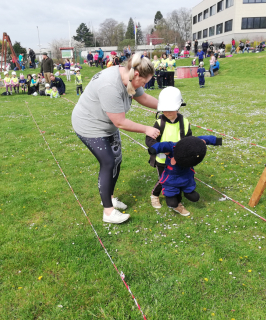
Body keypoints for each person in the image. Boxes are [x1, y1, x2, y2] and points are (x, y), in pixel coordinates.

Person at [71, 54, 159, 224]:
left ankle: (110, 198)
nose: (144, 85)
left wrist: (168, 104)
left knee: (117, 160)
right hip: (89, 125)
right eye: (144, 81)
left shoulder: (131, 76)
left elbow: (144, 98)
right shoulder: (110, 85)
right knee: (108, 162)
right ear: (137, 75)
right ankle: (108, 212)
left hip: (107, 124)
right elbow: (121, 122)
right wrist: (147, 129)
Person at [147, 135, 221, 215]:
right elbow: (163, 145)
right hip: (172, 177)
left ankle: (188, 192)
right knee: (172, 200)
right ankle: (171, 199)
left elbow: (204, 139)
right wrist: (153, 149)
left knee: (192, 192)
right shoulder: (173, 147)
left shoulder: (192, 143)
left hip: (186, 175)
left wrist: (216, 140)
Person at [145, 87, 191, 209]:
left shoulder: (185, 122)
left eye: (170, 109)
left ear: (178, 107)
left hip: (178, 158)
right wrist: (160, 149)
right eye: (164, 110)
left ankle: (177, 202)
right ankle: (155, 195)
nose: (167, 112)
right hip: (162, 159)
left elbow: (188, 139)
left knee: (178, 178)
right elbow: (149, 140)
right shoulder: (160, 123)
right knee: (164, 179)